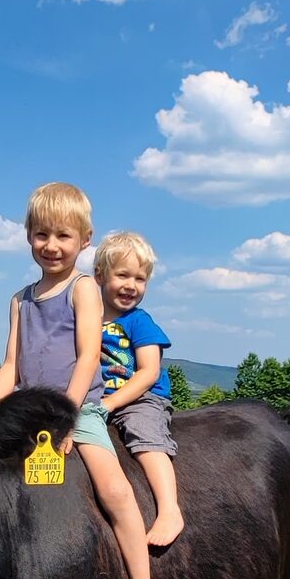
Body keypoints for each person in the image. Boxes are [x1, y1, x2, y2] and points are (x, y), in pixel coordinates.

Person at [0, 182, 173, 579]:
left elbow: (88, 356)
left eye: (63, 236)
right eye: (42, 234)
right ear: (28, 236)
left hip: (77, 408)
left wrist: (67, 415)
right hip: (29, 412)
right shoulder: (20, 300)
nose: (51, 245)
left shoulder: (84, 289)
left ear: (85, 241)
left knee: (114, 489)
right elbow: (11, 366)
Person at [94, 232, 184, 548]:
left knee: (145, 435)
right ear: (99, 275)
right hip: (98, 397)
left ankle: (170, 509)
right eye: (123, 275)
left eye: (140, 279)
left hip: (141, 396)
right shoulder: (87, 318)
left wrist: (111, 403)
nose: (132, 285)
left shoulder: (139, 321)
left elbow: (149, 372)